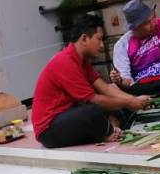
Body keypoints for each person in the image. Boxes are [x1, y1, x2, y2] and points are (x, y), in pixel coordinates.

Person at [32, 13, 150, 149]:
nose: (102, 45)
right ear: (84, 39)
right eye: (99, 39)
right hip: (48, 130)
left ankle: (109, 129)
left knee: (116, 106)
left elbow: (105, 88)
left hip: (68, 116)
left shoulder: (82, 61)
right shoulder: (65, 61)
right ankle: (108, 130)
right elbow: (92, 100)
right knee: (92, 110)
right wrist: (129, 103)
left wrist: (133, 100)